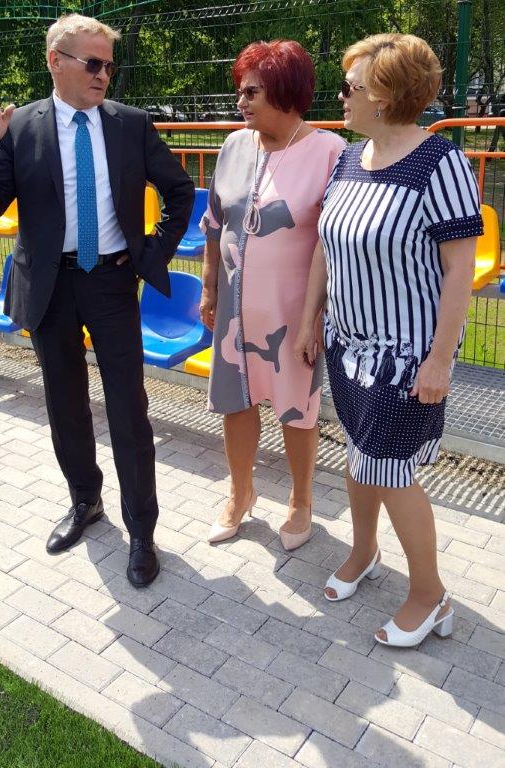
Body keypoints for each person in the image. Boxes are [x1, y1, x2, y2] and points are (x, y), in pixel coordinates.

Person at [0, 14, 194, 588]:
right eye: (92, 63)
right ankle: (85, 501)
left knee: (129, 410)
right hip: (50, 285)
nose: (103, 74)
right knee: (65, 405)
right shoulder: (21, 127)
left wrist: (152, 252)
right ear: (56, 62)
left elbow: (179, 189)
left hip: (112, 282)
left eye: (108, 65)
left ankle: (141, 530)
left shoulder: (130, 124)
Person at [295, 33, 482, 646]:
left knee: (392, 470)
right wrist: (309, 319)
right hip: (347, 347)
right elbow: (325, 246)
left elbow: (460, 269)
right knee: (359, 453)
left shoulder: (440, 164)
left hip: (404, 359)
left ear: (384, 94)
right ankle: (365, 551)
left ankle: (430, 595)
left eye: (349, 86)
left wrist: (439, 361)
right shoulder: (350, 159)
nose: (340, 96)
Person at [199, 40, 345, 550]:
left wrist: (314, 319)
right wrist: (209, 287)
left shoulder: (329, 151)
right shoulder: (234, 146)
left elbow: (333, 242)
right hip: (235, 312)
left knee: (297, 409)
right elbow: (215, 223)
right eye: (241, 91)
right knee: (235, 403)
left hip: (294, 315)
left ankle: (301, 501)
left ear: (284, 92)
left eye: (251, 92)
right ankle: (240, 494)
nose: (241, 101)